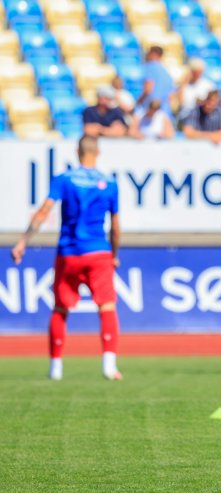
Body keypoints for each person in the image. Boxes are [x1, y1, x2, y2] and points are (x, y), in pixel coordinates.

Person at [11, 136, 123, 382]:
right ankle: (108, 365)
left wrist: (23, 241)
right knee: (106, 306)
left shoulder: (64, 179)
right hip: (98, 252)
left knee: (60, 308)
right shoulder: (110, 183)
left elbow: (44, 211)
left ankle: (56, 367)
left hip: (69, 252)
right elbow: (115, 226)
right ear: (98, 152)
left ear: (77, 152)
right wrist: (114, 255)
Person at [137, 46, 175, 119]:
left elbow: (148, 89)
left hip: (151, 111)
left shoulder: (149, 67)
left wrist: (139, 102)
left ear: (153, 53)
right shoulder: (166, 71)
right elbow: (171, 96)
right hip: (165, 112)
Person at [176, 57, 215, 125]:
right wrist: (183, 84)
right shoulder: (183, 86)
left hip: (203, 119)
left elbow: (212, 104)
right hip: (186, 118)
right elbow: (180, 103)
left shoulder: (208, 85)